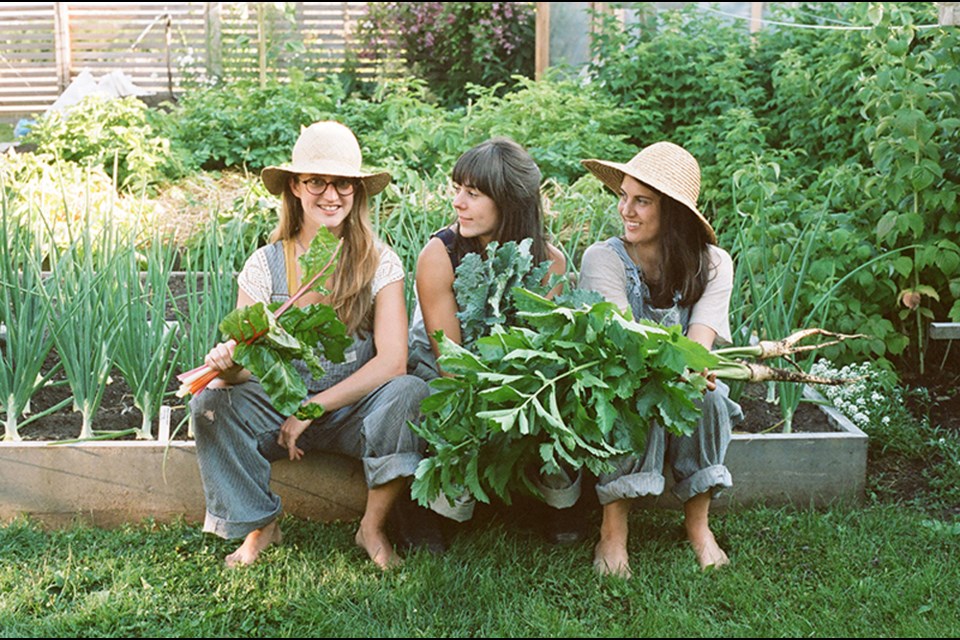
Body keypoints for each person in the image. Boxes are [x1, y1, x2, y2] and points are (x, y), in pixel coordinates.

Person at [190, 121, 429, 571]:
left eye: (343, 183)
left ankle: (371, 527)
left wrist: (312, 409)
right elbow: (248, 364)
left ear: (357, 191)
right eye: (316, 181)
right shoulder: (265, 264)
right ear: (296, 188)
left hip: (353, 411)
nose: (331, 194)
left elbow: (393, 362)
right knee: (209, 402)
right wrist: (226, 365)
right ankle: (262, 523)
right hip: (278, 405)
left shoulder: (379, 261)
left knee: (410, 392)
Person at [577, 141, 743, 576]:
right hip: (620, 376)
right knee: (627, 395)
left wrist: (689, 370)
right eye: (623, 196)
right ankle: (612, 531)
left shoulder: (713, 264)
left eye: (641, 201)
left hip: (681, 378)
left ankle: (699, 527)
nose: (625, 210)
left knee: (708, 396)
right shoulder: (603, 259)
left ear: (672, 211)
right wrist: (676, 368)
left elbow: (698, 347)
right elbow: (623, 345)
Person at [409, 137, 577, 542]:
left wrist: (526, 388)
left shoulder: (550, 260)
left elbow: (545, 343)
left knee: (560, 390)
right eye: (458, 191)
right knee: (446, 402)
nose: (458, 204)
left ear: (511, 201)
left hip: (518, 372)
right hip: (445, 368)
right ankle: (439, 510)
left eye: (473, 194)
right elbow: (449, 360)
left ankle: (560, 503)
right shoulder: (439, 254)